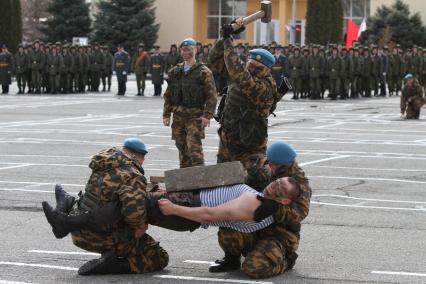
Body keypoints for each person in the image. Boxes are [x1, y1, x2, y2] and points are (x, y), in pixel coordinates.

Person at [42, 138, 169, 275]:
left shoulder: (104, 165)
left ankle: (67, 207)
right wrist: (141, 226)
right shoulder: (132, 175)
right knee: (159, 256)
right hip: (98, 236)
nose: (143, 161)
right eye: (142, 157)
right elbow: (134, 215)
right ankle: (114, 266)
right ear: (133, 155)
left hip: (79, 232)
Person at [209, 140, 311, 279]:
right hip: (254, 224)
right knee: (229, 225)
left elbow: (300, 213)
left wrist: (274, 207)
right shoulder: (267, 165)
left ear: (284, 165)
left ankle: (287, 260)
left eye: (272, 164)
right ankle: (231, 259)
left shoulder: (298, 183)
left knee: (253, 268)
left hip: (278, 234)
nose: (269, 165)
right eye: (268, 162)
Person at [163, 37, 217, 168]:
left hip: (195, 116)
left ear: (195, 50)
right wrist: (166, 114)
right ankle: (185, 179)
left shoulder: (203, 72)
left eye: (189, 49)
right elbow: (168, 94)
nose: (186, 52)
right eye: (183, 49)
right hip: (178, 116)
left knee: (194, 149)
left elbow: (212, 95)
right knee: (181, 147)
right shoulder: (175, 71)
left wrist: (207, 115)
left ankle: (200, 180)